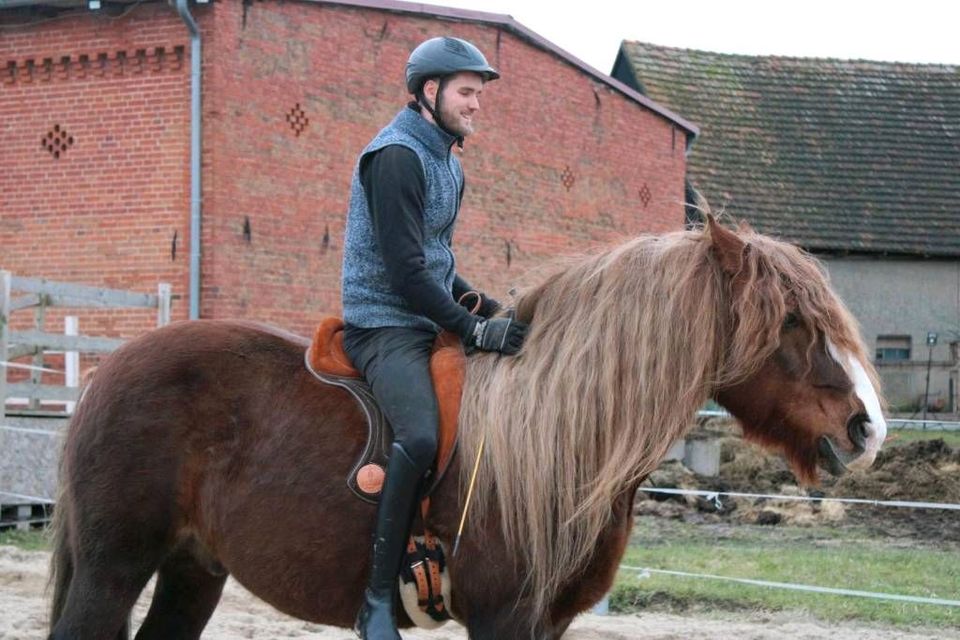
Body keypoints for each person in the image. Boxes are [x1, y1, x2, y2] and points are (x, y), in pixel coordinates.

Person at [340, 36, 529, 639]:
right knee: (420, 435)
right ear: (429, 91)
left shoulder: (447, 159)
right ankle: (374, 601)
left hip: (424, 317)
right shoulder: (396, 157)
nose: (477, 105)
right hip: (383, 324)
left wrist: (490, 307)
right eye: (467, 92)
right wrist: (472, 326)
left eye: (479, 94)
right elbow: (405, 270)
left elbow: (437, 259)